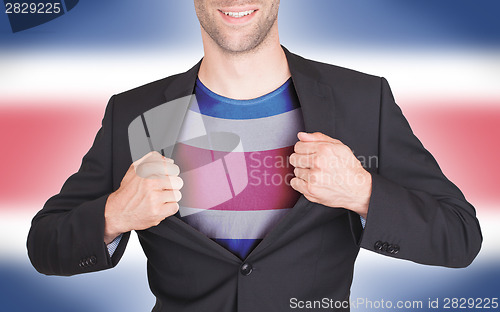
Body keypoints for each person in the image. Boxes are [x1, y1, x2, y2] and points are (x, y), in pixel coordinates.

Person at [27, 1, 482, 311]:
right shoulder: (135, 113)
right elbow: (45, 246)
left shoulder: (363, 100)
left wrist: (363, 192)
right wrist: (114, 214)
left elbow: (460, 237)